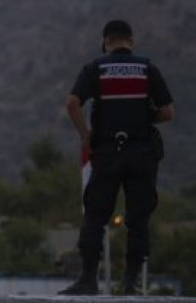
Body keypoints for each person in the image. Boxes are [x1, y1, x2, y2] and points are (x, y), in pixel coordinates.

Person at [59, 20, 174, 295]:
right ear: (131, 41)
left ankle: (88, 280)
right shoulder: (147, 68)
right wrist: (145, 119)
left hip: (107, 153)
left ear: (106, 42)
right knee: (138, 219)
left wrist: (85, 135)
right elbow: (168, 112)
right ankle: (130, 283)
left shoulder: (95, 69)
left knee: (96, 217)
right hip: (141, 154)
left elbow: (72, 103)